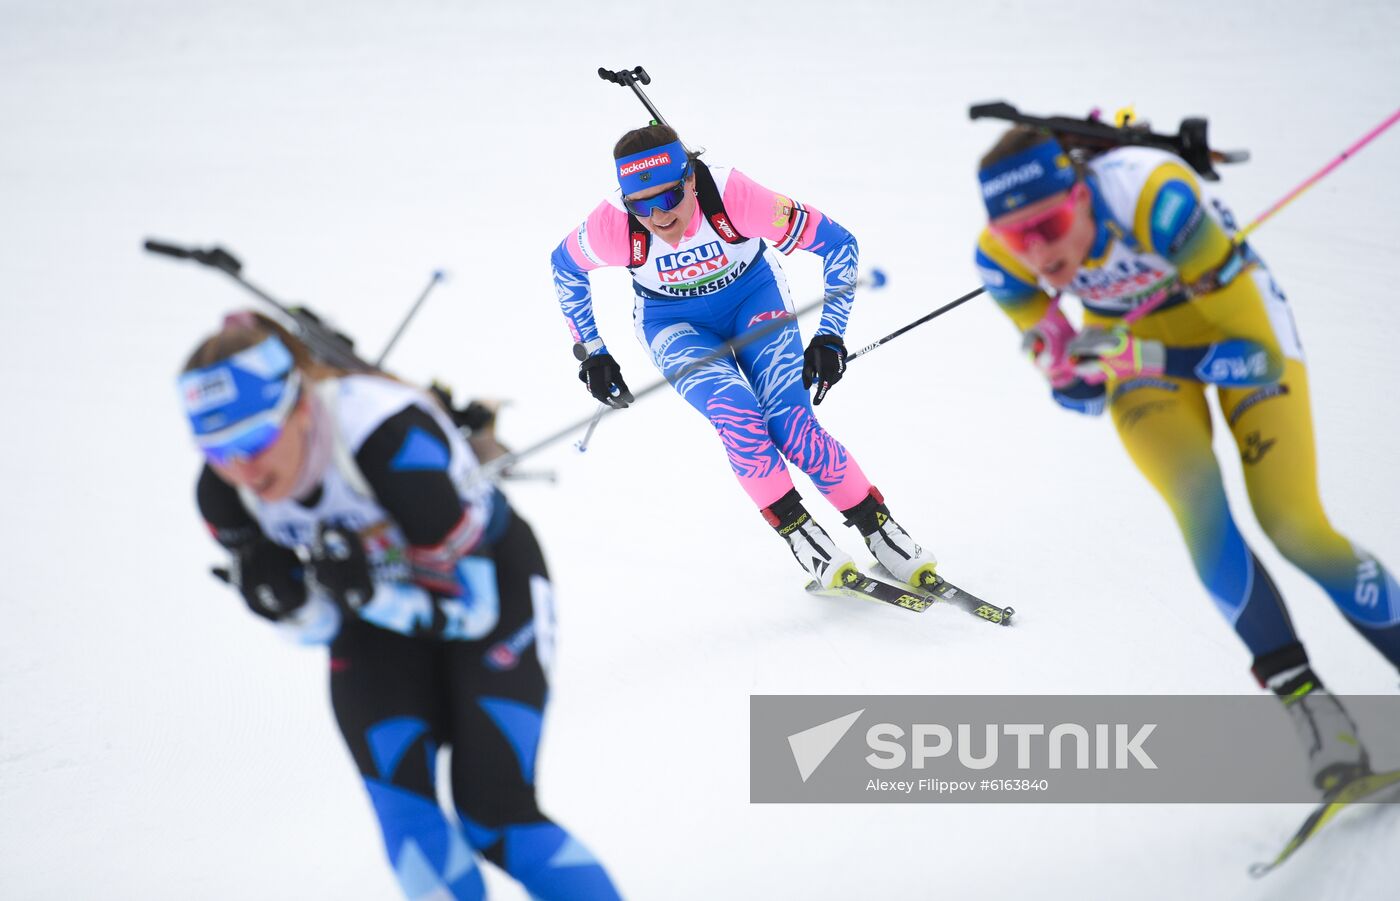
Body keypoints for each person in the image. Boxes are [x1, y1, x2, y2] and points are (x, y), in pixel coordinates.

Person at [972, 125, 1400, 793]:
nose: (1038, 252)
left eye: (1049, 225)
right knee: (1204, 520)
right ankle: (1317, 716)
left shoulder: (1154, 198)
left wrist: (1138, 357)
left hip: (1231, 330)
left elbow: (1253, 357)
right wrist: (1065, 371)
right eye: (1015, 237)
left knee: (1296, 527)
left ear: (1082, 196)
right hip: (1141, 355)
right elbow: (1082, 398)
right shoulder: (1001, 267)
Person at [179, 311, 622, 900]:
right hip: (376, 619)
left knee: (495, 816)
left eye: (256, 438)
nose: (244, 469)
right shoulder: (222, 496)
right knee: (411, 828)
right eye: (216, 449)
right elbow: (318, 628)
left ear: (301, 405)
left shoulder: (388, 440)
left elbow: (473, 611)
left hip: (492, 587)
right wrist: (290, 605)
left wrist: (362, 589)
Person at [550, 123, 937, 591]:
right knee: (738, 414)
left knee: (791, 424)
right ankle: (800, 532)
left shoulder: (737, 196)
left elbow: (839, 244)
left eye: (669, 198)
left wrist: (830, 336)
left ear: (690, 179)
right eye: (641, 204)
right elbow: (564, 266)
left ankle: (879, 529)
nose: (657, 216)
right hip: (673, 323)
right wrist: (593, 353)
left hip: (754, 300)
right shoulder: (611, 226)